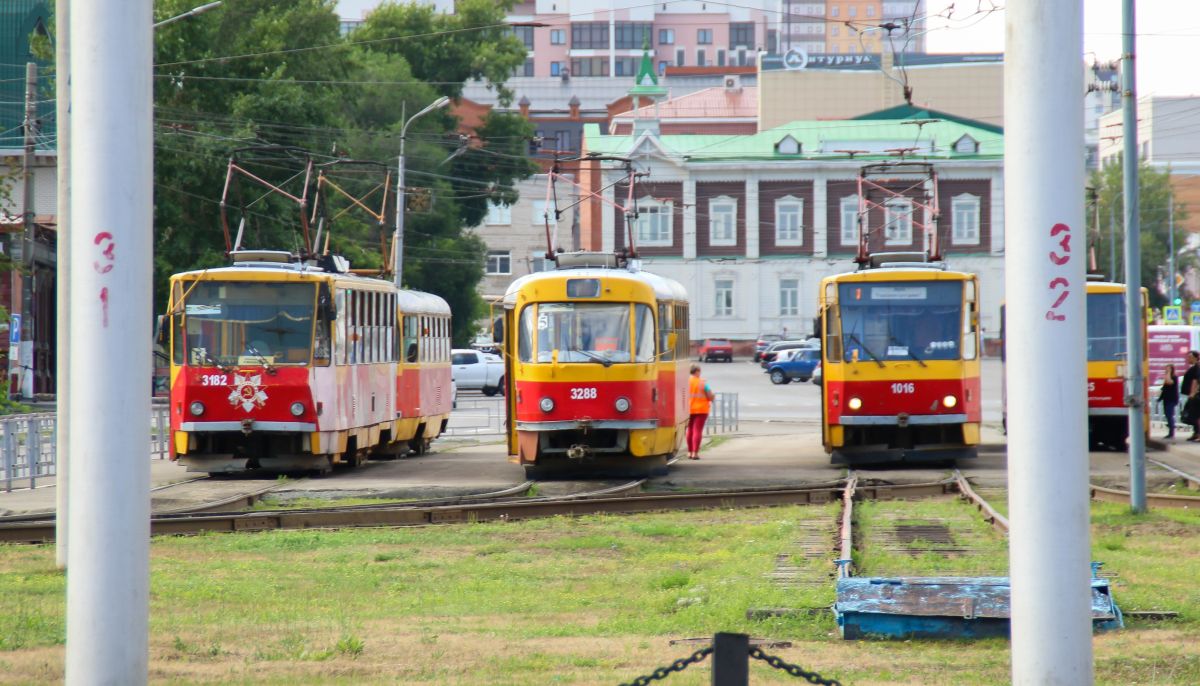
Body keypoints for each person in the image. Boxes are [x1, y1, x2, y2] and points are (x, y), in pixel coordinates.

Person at [686, 364, 715, 460]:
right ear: (697, 371)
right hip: (701, 410)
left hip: (688, 410)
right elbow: (710, 396)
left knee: (689, 430)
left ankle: (689, 452)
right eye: (700, 371)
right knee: (697, 431)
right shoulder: (703, 383)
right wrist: (713, 397)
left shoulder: (686, 382)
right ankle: (695, 453)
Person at [1181, 351, 1200, 441]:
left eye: (1190, 357)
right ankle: (1196, 432)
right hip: (1192, 394)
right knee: (1193, 414)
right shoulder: (1194, 367)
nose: (1188, 359)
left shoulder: (1197, 368)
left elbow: (1196, 381)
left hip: (1195, 395)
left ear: (1196, 357)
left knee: (1195, 414)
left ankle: (1197, 433)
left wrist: (1193, 392)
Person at [1160, 364, 1179, 439]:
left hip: (1172, 399)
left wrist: (1168, 373)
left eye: (1168, 369)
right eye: (1166, 369)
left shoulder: (1174, 377)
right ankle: (1170, 431)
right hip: (1166, 399)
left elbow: (1169, 382)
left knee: (1169, 414)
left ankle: (1171, 432)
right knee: (1167, 415)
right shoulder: (1167, 377)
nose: (1166, 370)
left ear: (1172, 369)